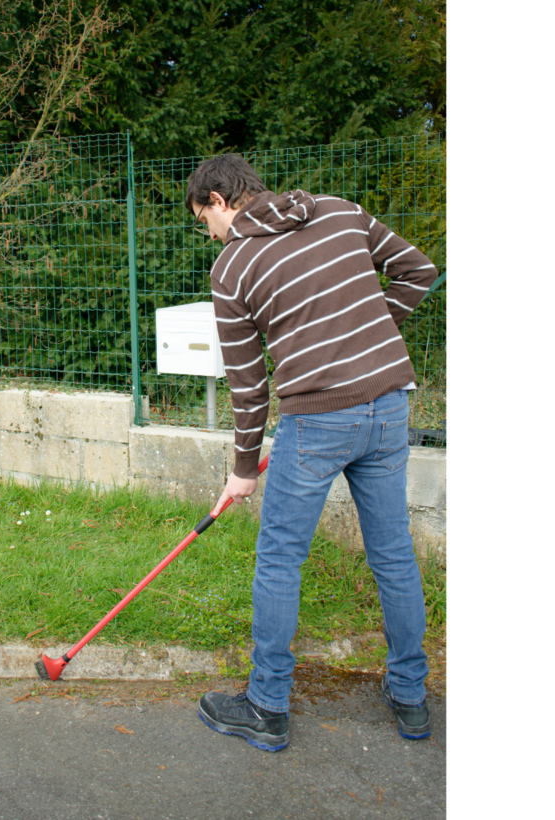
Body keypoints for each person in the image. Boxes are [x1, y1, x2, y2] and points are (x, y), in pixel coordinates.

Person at [185, 154, 439, 752]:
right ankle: (410, 696)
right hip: (389, 405)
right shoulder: (340, 212)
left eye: (205, 220)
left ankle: (267, 707)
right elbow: (418, 270)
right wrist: (374, 330)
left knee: (278, 560)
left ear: (221, 200)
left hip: (318, 420)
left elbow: (249, 387)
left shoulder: (233, 268)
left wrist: (243, 470)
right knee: (394, 556)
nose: (210, 234)